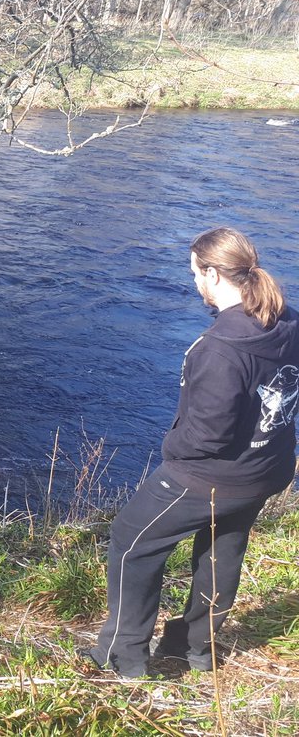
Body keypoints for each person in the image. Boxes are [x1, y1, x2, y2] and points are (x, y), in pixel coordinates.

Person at [85, 227, 299, 678]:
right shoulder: (286, 322)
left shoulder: (220, 349)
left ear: (213, 273)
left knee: (131, 541)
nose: (194, 283)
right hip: (265, 468)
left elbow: (207, 436)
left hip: (208, 478)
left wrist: (170, 447)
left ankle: (123, 657)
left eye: (195, 273)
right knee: (222, 553)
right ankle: (196, 649)